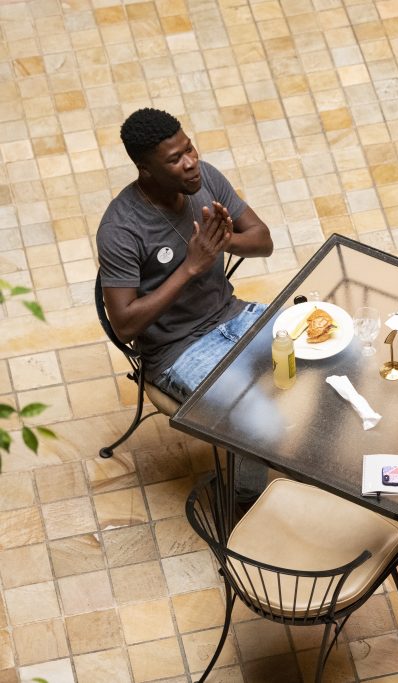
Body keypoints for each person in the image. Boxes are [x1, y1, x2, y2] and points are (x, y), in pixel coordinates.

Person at [97, 108, 274, 500]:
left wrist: (223, 240)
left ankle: (316, 456)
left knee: (337, 350)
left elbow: (263, 240)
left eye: (189, 148)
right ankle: (245, 506)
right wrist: (190, 267)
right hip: (177, 351)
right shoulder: (120, 228)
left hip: (233, 316)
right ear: (145, 169)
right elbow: (124, 324)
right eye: (175, 159)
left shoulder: (205, 178)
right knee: (260, 425)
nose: (191, 162)